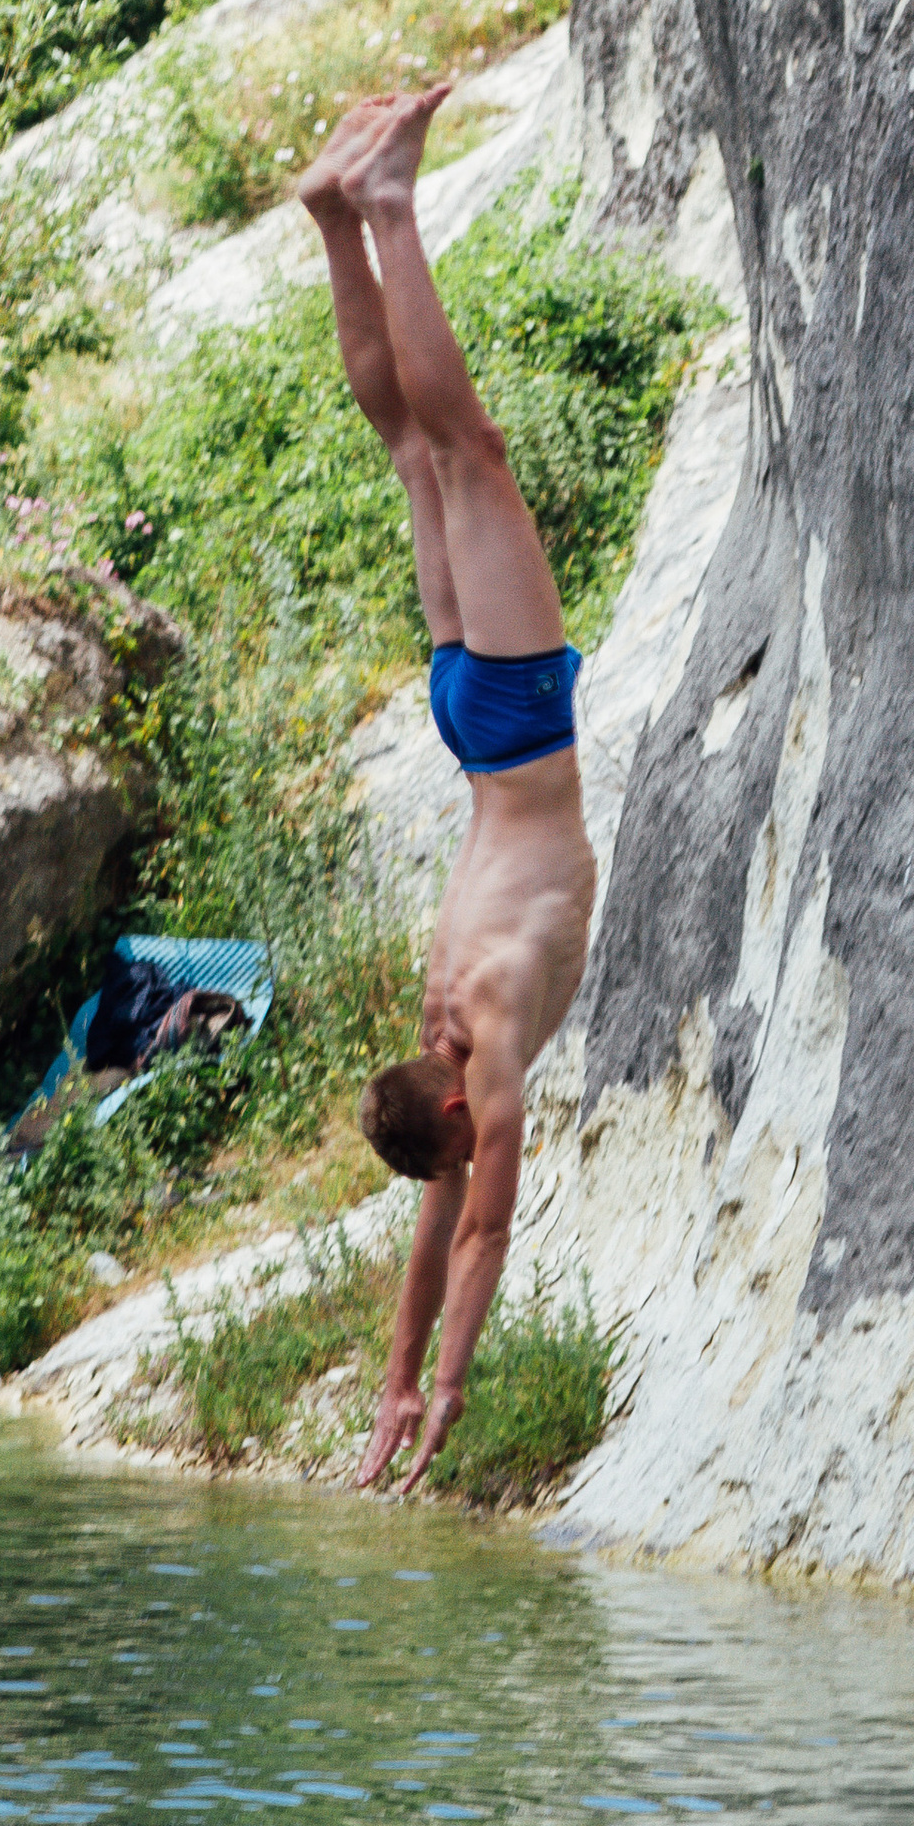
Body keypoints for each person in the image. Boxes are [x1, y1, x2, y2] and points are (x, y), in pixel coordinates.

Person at [296, 83, 598, 1492]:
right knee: (413, 454)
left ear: (455, 1111)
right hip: (467, 731)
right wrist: (393, 1383)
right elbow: (440, 1212)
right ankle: (332, 223)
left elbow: (476, 1232)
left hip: (520, 730)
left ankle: (388, 208)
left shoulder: (489, 1039)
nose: (471, 1167)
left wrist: (448, 1381)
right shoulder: (438, 1034)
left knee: (467, 454)